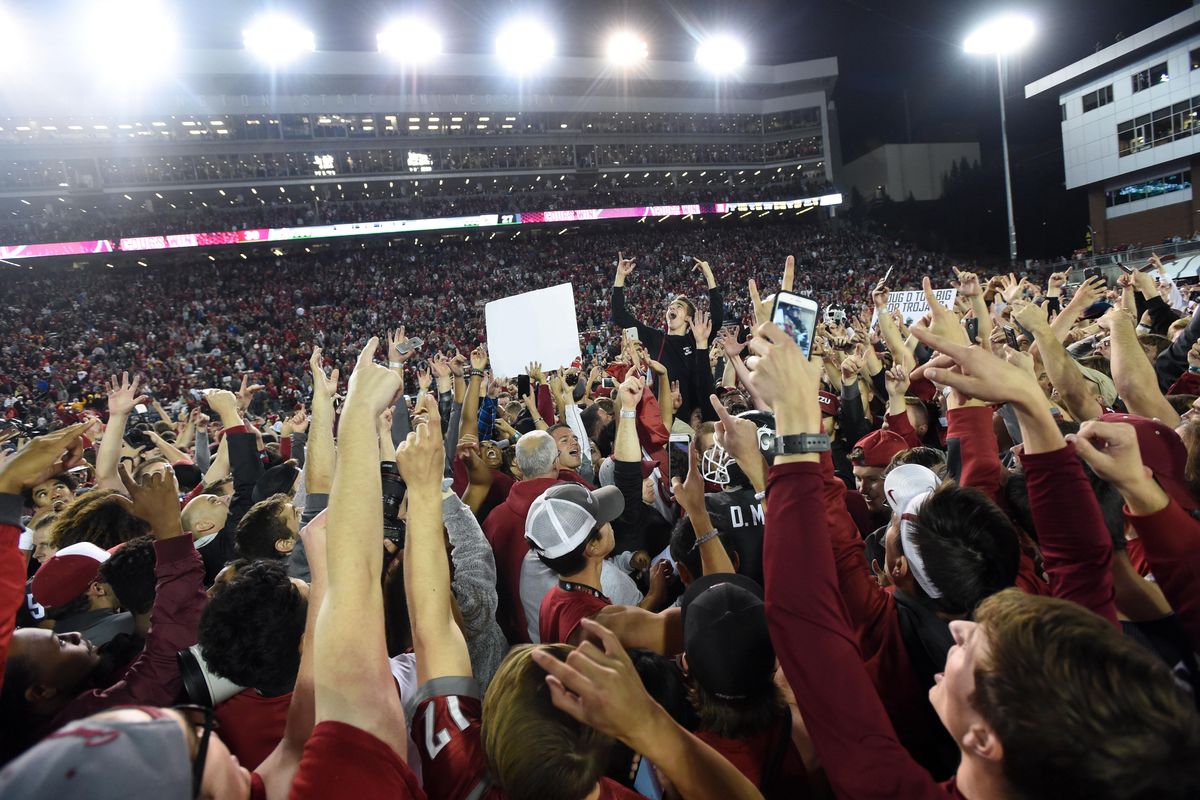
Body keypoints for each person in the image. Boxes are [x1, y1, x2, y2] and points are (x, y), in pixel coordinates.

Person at [749, 318, 1200, 799]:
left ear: (985, 738)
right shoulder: (1087, 698)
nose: (963, 627)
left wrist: (798, 437)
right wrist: (1029, 403)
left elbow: (809, 629)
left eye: (978, 650)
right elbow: (1082, 563)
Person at [397, 390, 762, 800]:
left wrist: (424, 494)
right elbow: (719, 615)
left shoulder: (461, 774)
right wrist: (699, 514)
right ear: (600, 728)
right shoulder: (605, 622)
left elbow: (431, 629)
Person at [612, 252, 723, 422]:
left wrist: (709, 276)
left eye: (678, 306)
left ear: (688, 318)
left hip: (695, 417)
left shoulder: (695, 339)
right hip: (663, 416)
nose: (672, 308)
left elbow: (717, 319)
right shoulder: (655, 338)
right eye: (670, 306)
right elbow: (619, 315)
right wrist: (620, 277)